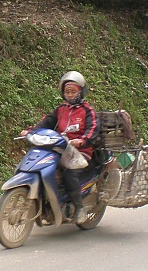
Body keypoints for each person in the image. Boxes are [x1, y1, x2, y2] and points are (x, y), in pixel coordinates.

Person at [20, 71, 100, 224]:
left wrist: (82, 141)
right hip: (60, 149)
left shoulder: (87, 110)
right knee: (45, 168)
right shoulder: (60, 110)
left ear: (81, 91)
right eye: (67, 91)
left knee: (69, 174)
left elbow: (93, 129)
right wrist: (30, 131)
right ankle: (50, 202)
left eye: (73, 91)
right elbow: (45, 123)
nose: (69, 95)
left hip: (80, 152)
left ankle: (80, 207)